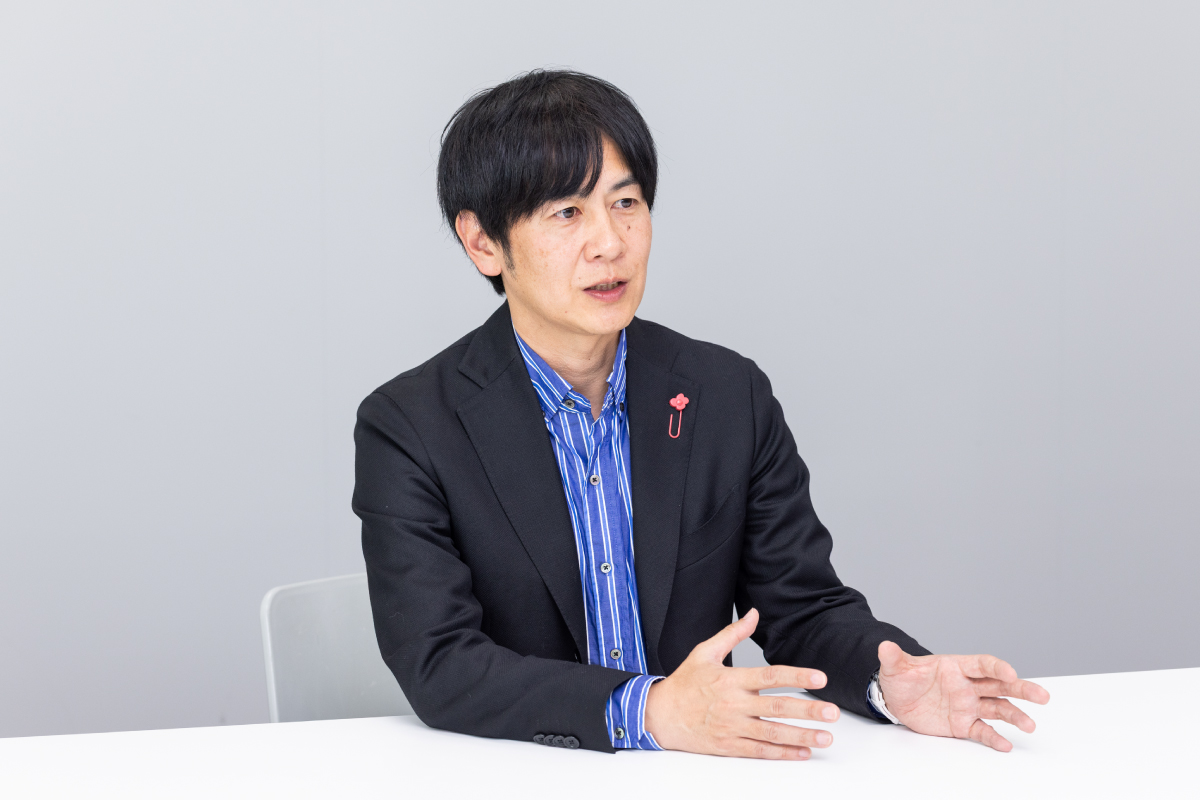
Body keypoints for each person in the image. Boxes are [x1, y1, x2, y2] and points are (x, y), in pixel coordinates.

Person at [352, 70, 1049, 759]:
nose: (610, 243)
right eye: (567, 213)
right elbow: (440, 662)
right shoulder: (411, 425)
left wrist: (889, 679)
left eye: (626, 203)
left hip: (702, 776)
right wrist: (649, 710)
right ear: (483, 242)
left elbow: (802, 607)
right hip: (531, 772)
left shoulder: (724, 394)